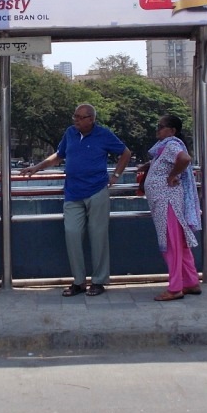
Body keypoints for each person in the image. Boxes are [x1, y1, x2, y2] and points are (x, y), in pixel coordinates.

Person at [20, 103, 131, 297]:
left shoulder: (103, 134)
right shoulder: (70, 133)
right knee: (72, 233)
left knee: (98, 236)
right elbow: (59, 155)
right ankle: (78, 281)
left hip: (97, 190)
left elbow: (125, 153)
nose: (76, 120)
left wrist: (116, 175)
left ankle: (98, 281)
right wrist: (37, 166)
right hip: (72, 192)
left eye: (80, 117)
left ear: (91, 119)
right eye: (75, 117)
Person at [142, 114, 202, 301]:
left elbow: (184, 159)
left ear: (172, 130)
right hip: (166, 201)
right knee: (180, 244)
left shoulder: (171, 144)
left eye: (161, 126)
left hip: (168, 201)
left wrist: (172, 176)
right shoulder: (165, 148)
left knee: (171, 244)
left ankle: (175, 288)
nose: (157, 129)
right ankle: (191, 282)